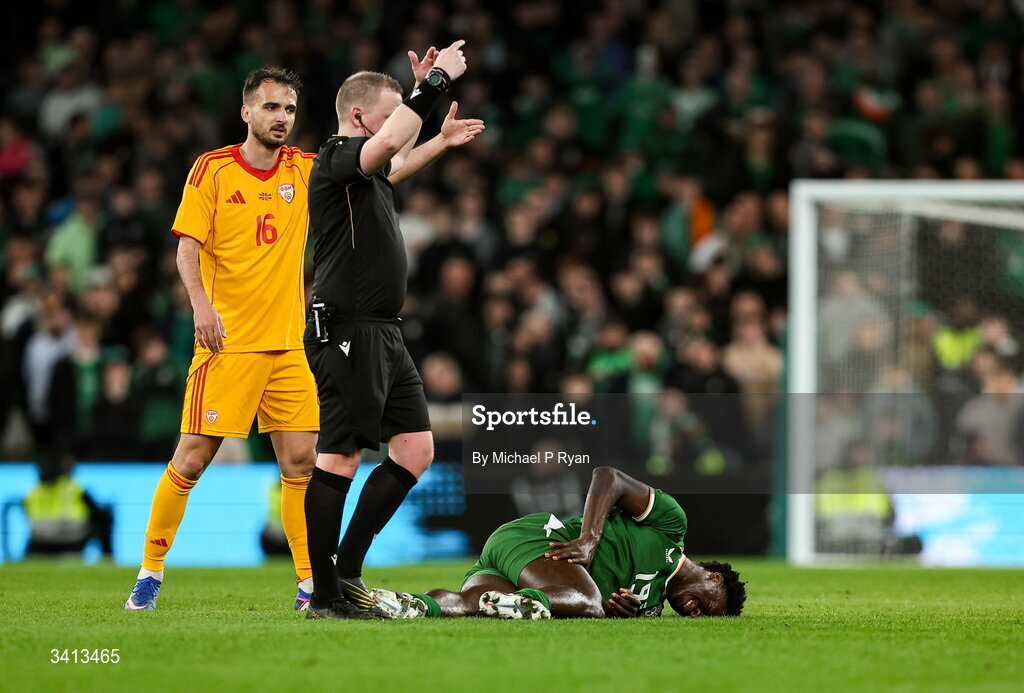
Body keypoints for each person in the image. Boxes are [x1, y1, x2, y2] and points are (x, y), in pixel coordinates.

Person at [125, 67, 319, 611]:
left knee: (301, 463)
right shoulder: (211, 169)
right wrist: (201, 307)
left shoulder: (303, 170)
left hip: (287, 344)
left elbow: (381, 165)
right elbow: (187, 246)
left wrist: (435, 130)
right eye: (272, 107)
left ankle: (309, 586)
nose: (282, 118)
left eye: (289, 110)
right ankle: (149, 575)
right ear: (246, 112)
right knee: (191, 459)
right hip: (227, 343)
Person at [303, 41, 484, 620]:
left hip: (383, 330)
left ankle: (347, 569)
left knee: (415, 449)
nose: (392, 131)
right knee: (340, 458)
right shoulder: (334, 156)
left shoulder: (370, 174)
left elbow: (396, 157)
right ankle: (327, 596)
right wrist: (431, 86)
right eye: (387, 115)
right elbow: (384, 146)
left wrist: (437, 136)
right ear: (358, 118)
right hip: (345, 327)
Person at [371, 466, 747, 619]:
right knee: (589, 602)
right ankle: (518, 607)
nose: (695, 612)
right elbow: (609, 477)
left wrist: (618, 613)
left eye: (700, 617)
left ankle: (391, 604)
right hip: (540, 539)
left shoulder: (649, 609)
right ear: (714, 578)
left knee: (467, 604)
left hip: (521, 566)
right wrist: (589, 538)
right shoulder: (670, 525)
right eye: (707, 605)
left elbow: (606, 612)